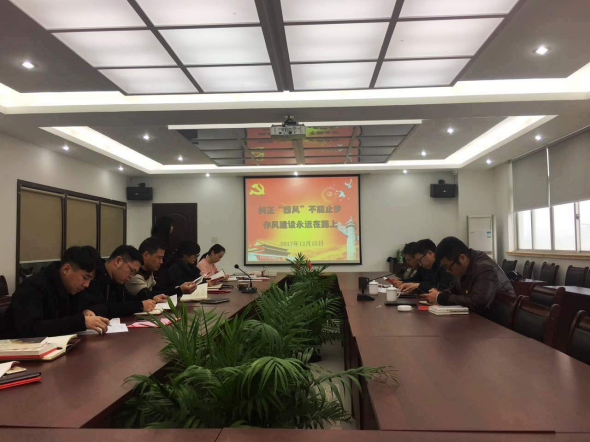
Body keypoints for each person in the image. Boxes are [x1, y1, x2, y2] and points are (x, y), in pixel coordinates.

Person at [3, 246, 110, 337]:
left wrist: (90, 310)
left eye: (90, 280)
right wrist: (81, 322)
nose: (87, 285)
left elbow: (101, 304)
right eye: (85, 277)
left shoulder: (75, 287)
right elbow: (30, 329)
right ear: (66, 269)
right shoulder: (33, 287)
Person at [419, 236, 516, 314]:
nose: (448, 271)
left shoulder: (484, 268)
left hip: (500, 321)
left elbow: (477, 302)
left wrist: (441, 298)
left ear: (462, 258)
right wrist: (438, 295)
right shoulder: (462, 267)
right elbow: (454, 290)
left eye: (448, 267)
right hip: (479, 318)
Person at [85, 245, 157, 319]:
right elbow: (104, 308)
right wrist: (140, 306)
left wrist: (152, 298)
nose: (131, 276)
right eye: (132, 271)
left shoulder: (118, 280)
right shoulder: (95, 276)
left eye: (134, 274)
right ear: (118, 261)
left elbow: (128, 300)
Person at [125, 237, 196, 299]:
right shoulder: (133, 275)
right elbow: (148, 295)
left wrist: (178, 288)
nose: (161, 262)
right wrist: (179, 290)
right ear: (146, 255)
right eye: (159, 258)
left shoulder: (148, 270)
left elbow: (156, 288)